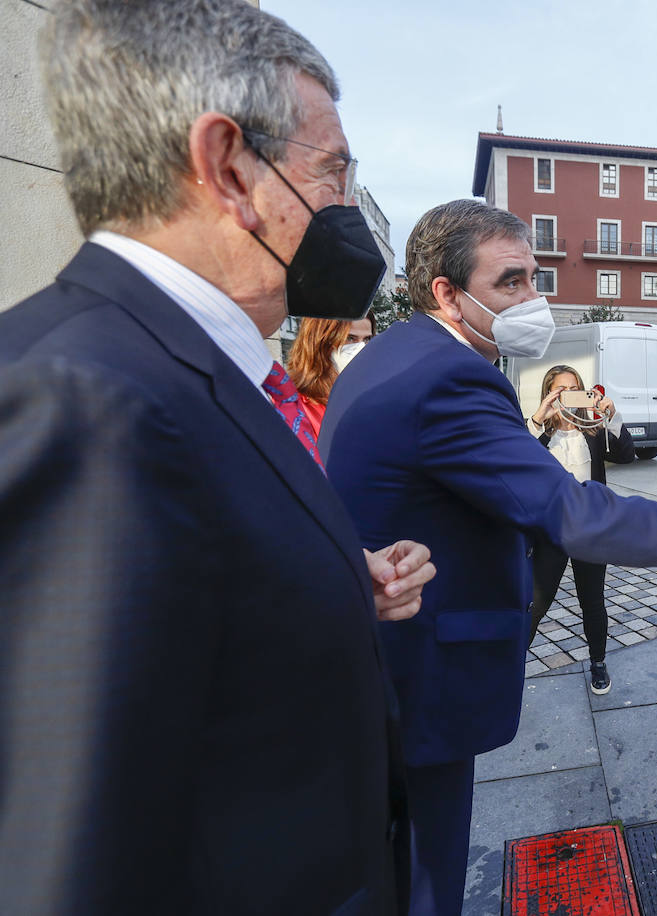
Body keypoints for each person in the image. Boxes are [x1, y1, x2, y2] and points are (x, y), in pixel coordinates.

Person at [0, 2, 436, 913]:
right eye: (333, 174)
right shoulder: (87, 402)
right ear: (230, 167)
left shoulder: (187, 370)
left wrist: (332, 580)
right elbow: (69, 854)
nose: (347, 212)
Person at [318, 199, 657, 916]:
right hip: (422, 668)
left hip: (385, 660)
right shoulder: (447, 377)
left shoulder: (394, 354)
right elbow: (573, 512)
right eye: (510, 282)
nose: (533, 300)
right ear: (445, 292)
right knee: (427, 869)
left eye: (535, 278)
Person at [526, 364, 635, 694]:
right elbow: (516, 456)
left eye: (575, 388)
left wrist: (610, 416)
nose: (569, 395)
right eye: (561, 389)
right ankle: (510, 661)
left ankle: (598, 663)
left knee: (592, 600)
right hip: (551, 531)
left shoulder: (593, 430)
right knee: (536, 602)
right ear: (550, 393)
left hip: (589, 529)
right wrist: (538, 418)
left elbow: (627, 455)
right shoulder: (543, 435)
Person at [288, 312, 376, 438]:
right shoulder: (294, 406)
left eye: (367, 339)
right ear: (320, 341)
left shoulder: (370, 400)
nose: (361, 348)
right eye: (350, 338)